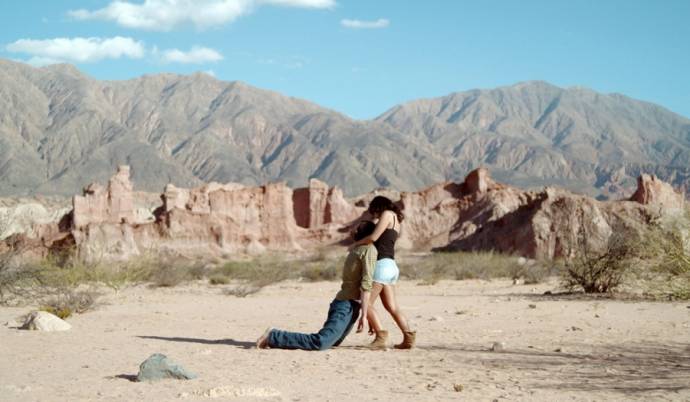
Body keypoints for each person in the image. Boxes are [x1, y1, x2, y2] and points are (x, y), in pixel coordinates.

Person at [256, 221, 378, 350]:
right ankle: (273, 336)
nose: (353, 231)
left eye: (356, 229)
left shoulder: (359, 249)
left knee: (332, 342)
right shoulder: (368, 250)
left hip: (348, 305)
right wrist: (364, 316)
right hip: (345, 305)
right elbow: (366, 284)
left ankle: (274, 337)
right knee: (321, 342)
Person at [350, 196, 415, 349]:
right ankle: (408, 338)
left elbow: (373, 237)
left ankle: (380, 337)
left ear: (378, 207)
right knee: (392, 307)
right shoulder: (396, 220)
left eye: (374, 211)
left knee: (365, 303)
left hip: (381, 265)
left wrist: (355, 244)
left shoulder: (387, 214)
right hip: (391, 266)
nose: (374, 215)